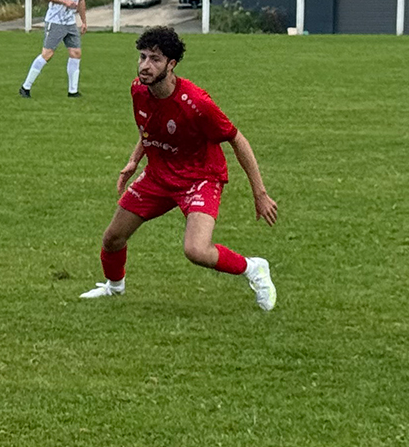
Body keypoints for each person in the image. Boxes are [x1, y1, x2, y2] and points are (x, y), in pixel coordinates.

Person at [80, 26, 278, 310]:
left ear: (171, 65)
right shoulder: (138, 89)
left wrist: (260, 193)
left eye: (155, 59)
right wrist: (135, 160)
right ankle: (114, 288)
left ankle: (253, 268)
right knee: (113, 238)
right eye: (143, 57)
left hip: (200, 178)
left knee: (196, 250)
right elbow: (150, 127)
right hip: (158, 176)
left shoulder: (197, 103)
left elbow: (237, 139)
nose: (145, 66)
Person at [23, 0, 86, 98]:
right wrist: (63, 1)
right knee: (47, 54)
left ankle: (73, 91)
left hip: (70, 21)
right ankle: (26, 87)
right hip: (55, 19)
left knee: (76, 52)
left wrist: (83, 20)